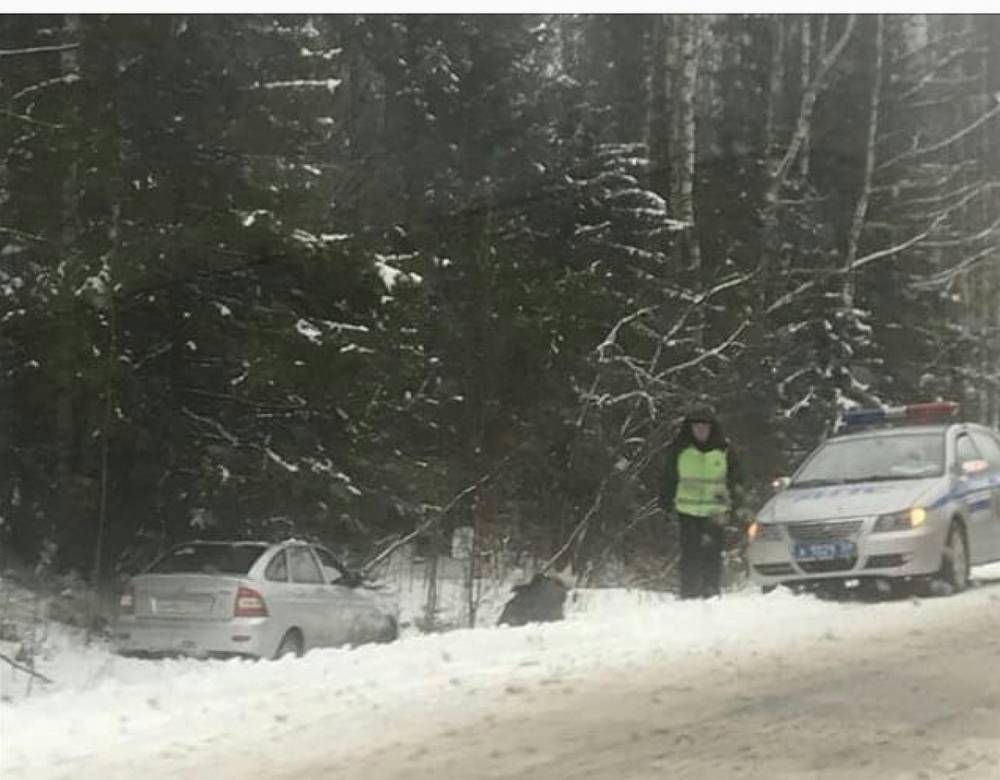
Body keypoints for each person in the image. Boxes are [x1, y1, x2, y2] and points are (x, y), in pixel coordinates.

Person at [659, 405, 743, 599]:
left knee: (712, 553)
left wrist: (737, 504)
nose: (700, 431)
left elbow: (736, 479)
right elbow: (669, 477)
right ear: (690, 428)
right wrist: (665, 501)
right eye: (696, 427)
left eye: (704, 427)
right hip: (687, 511)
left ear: (712, 428)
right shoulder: (680, 451)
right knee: (689, 553)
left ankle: (711, 591)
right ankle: (688, 592)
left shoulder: (724, 451)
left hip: (715, 512)